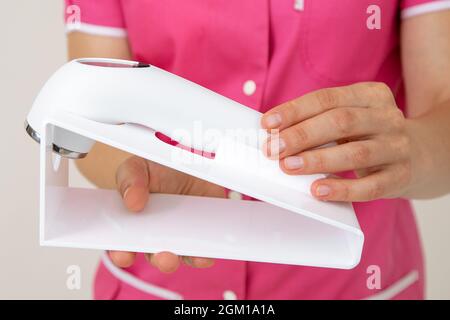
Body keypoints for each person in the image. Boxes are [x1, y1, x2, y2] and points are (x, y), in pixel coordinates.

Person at [65, 0, 450, 299]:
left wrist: (411, 152)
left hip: (355, 279)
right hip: (159, 280)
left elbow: (441, 109)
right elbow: (93, 113)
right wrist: (141, 168)